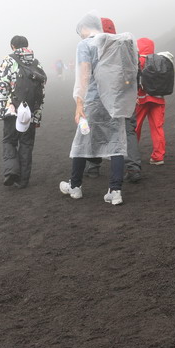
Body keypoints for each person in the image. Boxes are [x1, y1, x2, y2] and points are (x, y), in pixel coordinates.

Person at [59, 10, 137, 205]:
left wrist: (79, 102)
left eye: (80, 31)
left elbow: (84, 74)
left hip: (93, 101)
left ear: (85, 28)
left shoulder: (85, 44)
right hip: (115, 100)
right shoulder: (115, 41)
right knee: (116, 143)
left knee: (81, 142)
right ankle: (115, 191)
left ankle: (75, 186)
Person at [85, 17, 143, 183]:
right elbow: (136, 68)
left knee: (96, 129)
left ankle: (94, 166)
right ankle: (133, 167)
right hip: (125, 95)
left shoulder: (94, 45)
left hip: (101, 97)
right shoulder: (127, 43)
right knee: (127, 130)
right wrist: (135, 92)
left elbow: (89, 74)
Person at [0, 35, 47, 189]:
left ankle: (11, 171)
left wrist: (1, 111)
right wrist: (37, 116)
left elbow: (1, 85)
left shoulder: (8, 60)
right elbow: (41, 91)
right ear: (27, 46)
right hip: (30, 110)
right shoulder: (36, 63)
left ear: (12, 46)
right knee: (26, 143)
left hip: (12, 108)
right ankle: (23, 180)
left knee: (9, 140)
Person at [135, 37, 167, 165]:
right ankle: (158, 157)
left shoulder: (137, 60)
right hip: (158, 98)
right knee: (157, 127)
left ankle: (131, 156)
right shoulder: (158, 60)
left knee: (135, 127)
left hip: (141, 99)